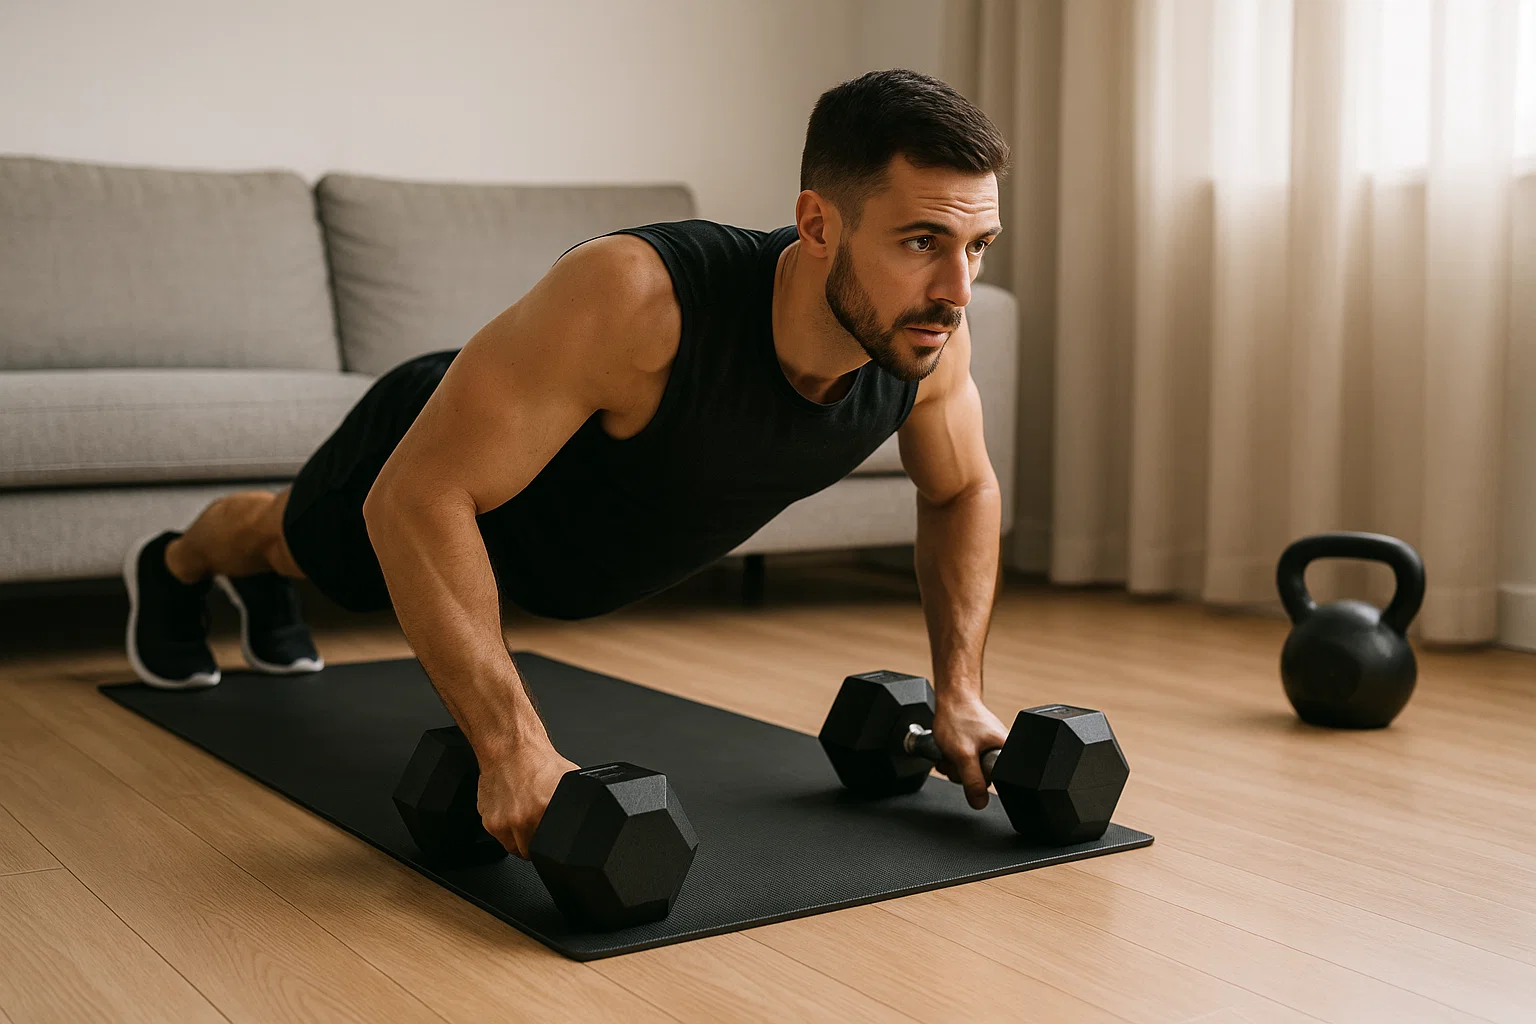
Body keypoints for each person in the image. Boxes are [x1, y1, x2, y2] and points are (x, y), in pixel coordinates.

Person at [123, 68, 1014, 859]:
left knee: (309, 555)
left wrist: (960, 692)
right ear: (818, 224)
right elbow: (416, 497)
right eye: (920, 242)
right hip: (449, 465)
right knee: (292, 543)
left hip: (560, 554)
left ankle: (252, 580)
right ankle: (175, 565)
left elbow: (963, 488)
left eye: (977, 246)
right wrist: (510, 749)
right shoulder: (639, 296)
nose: (957, 290)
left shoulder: (926, 343)